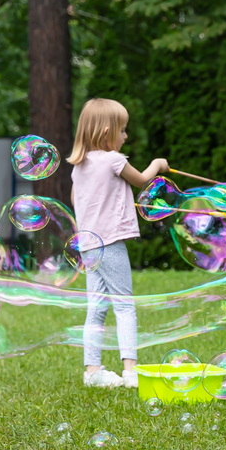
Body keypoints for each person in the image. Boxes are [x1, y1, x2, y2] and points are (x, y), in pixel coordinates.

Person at [68, 98, 169, 388]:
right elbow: (141, 181)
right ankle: (130, 370)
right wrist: (157, 164)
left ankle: (93, 371)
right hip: (109, 241)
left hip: (88, 243)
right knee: (124, 305)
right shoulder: (113, 160)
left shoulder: (80, 164)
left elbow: (77, 199)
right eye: (122, 130)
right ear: (106, 131)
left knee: (96, 308)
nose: (125, 136)